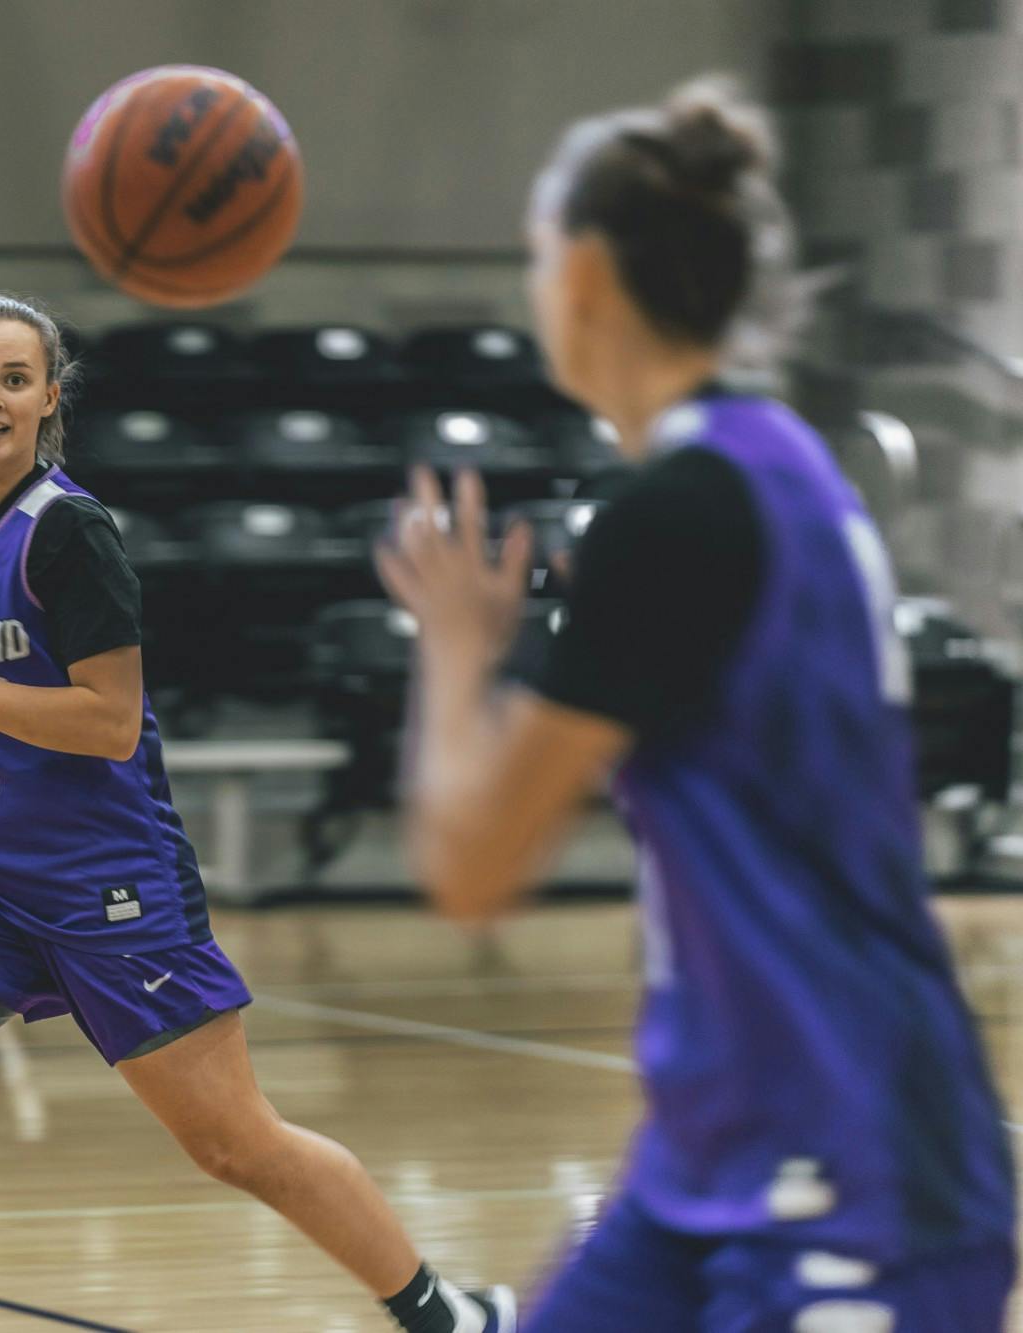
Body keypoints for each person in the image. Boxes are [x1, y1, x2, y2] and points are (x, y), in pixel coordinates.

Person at [377, 79, 1016, 1331]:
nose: (532, 282)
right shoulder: (775, 467)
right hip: (711, 1153)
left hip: (855, 1165)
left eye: (537, 252)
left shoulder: (677, 517)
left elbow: (469, 869)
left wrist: (455, 651)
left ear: (588, 278)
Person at [0, 293, 514, 1333]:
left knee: (236, 1146)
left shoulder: (69, 535)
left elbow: (109, 722)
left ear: (47, 398)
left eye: (13, 378)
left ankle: (445, 1313)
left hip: (110, 892)